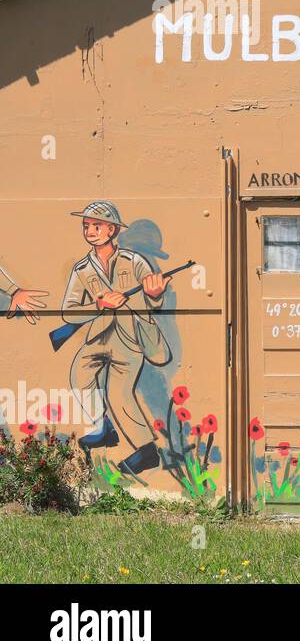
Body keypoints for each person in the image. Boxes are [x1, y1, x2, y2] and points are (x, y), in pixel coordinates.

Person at [62, 201, 172, 474]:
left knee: (120, 394)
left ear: (112, 230)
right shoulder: (82, 269)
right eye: (86, 226)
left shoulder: (134, 262)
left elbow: (154, 299)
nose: (90, 231)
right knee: (79, 374)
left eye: (96, 226)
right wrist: (99, 305)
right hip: (99, 335)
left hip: (129, 335)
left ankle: (146, 451)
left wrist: (154, 294)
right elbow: (68, 311)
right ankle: (103, 428)